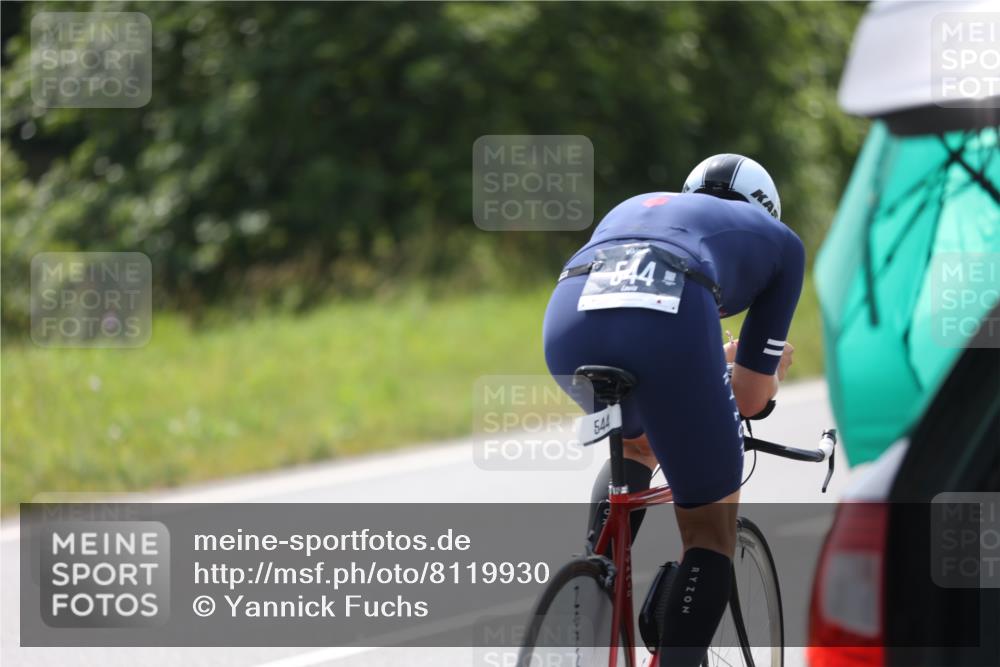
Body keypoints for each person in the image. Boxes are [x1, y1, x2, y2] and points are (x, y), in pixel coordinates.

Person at [542, 154, 803, 665]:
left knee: (640, 440)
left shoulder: (640, 206)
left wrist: (708, 362)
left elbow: (636, 300)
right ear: (767, 211)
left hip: (567, 326)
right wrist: (774, 375)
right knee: (710, 530)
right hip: (671, 321)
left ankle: (598, 580)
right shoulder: (781, 244)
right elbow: (750, 397)